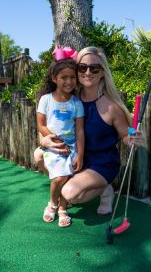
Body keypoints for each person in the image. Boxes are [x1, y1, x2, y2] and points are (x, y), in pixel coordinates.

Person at [37, 46, 140, 216]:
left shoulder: (111, 107)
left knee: (70, 194)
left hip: (101, 162)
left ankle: (105, 189)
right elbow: (49, 127)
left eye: (95, 68)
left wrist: (132, 137)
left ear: (102, 73)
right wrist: (44, 139)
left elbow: (125, 135)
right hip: (76, 156)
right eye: (82, 67)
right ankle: (72, 187)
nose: (88, 72)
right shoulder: (70, 100)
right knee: (38, 156)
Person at [37, 48, 84, 227]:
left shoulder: (76, 103)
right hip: (53, 146)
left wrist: (80, 154)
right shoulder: (46, 100)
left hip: (72, 147)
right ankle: (53, 203)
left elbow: (79, 130)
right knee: (59, 177)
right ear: (54, 79)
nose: (69, 81)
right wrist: (56, 141)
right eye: (63, 77)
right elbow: (41, 125)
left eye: (72, 77)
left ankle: (63, 208)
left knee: (69, 176)